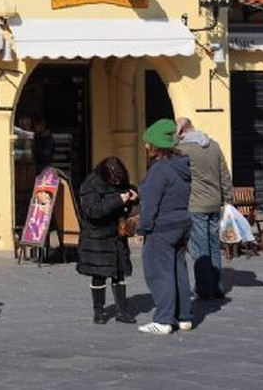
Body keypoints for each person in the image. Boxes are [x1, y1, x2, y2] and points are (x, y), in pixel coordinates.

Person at [137, 118, 193, 334]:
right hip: (182, 223)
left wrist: (143, 229)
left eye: (147, 142)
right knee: (179, 270)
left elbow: (150, 205)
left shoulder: (159, 171)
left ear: (155, 145)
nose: (145, 146)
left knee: (159, 272)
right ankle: (184, 316)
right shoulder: (182, 166)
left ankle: (163, 319)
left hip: (162, 227)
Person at [176, 117, 233, 300]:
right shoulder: (214, 146)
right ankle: (216, 286)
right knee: (214, 245)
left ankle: (204, 288)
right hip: (214, 202)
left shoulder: (183, 149)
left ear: (181, 131)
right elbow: (224, 174)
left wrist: (176, 138)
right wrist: (227, 198)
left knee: (201, 248)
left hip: (196, 204)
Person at [77, 156, 138, 324]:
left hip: (117, 235)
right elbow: (93, 211)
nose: (117, 182)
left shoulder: (120, 182)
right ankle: (99, 312)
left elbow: (129, 189)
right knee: (99, 275)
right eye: (114, 179)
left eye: (119, 179)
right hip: (97, 237)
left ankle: (122, 311)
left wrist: (134, 195)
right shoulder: (90, 185)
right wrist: (118, 200)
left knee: (119, 273)